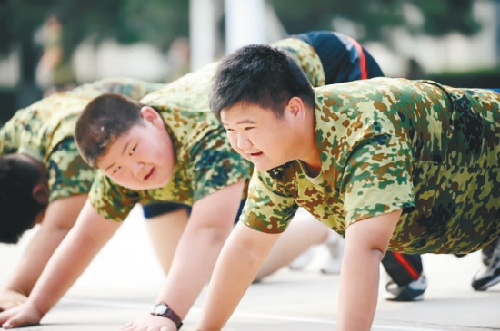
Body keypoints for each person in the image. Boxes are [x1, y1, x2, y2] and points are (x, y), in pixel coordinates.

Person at [0, 35, 333, 330]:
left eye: (133, 151)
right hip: (169, 158)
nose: (133, 167)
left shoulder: (206, 132)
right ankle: (323, 231)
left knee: (357, 211)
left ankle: (330, 224)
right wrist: (35, 307)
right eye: (116, 168)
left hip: (321, 66)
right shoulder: (121, 170)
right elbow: (83, 237)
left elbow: (209, 231)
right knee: (196, 268)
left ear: (150, 119)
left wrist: (166, 313)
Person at [195, 44, 500, 331]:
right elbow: (248, 246)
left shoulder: (367, 130)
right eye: (230, 130)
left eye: (248, 128)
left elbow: (366, 248)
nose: (240, 144)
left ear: (295, 110)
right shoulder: (274, 153)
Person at [255, 31, 427, 303]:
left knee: (369, 177)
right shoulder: (233, 121)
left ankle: (409, 272)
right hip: (299, 84)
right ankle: (320, 235)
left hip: (342, 62)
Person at [0, 78, 164, 311]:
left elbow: (59, 227)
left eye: (38, 221)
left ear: (41, 193)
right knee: (189, 271)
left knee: (203, 265)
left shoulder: (70, 147)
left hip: (184, 146)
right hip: (149, 169)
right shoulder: (18, 128)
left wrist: (15, 289)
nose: (41, 227)